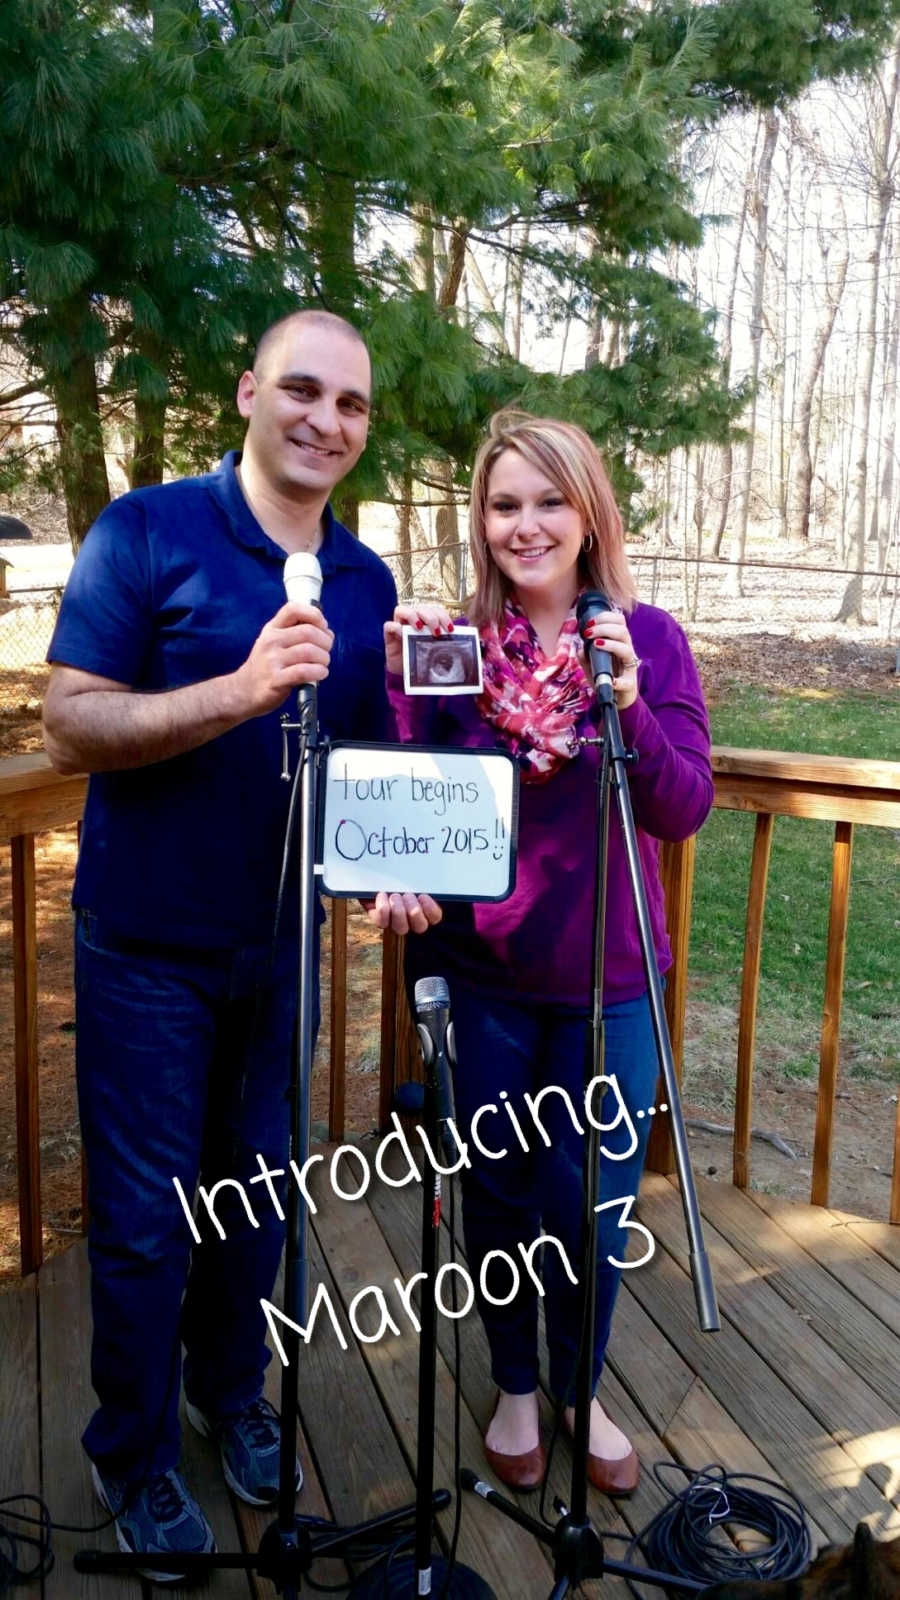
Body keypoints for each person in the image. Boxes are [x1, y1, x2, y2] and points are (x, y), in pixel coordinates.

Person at [42, 308, 440, 1578]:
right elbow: (67, 724)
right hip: (145, 950)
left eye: (353, 406)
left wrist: (397, 866)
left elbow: (368, 770)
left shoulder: (365, 580)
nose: (327, 421)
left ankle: (232, 1391)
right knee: (150, 1221)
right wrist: (238, 690)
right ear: (248, 395)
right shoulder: (146, 532)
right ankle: (134, 1449)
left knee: (254, 1204)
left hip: (281, 956)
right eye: (304, 392)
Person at [382, 411, 713, 1496]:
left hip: (612, 989)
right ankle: (517, 1381)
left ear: (589, 512)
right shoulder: (455, 645)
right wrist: (402, 687)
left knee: (593, 1206)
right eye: (504, 504)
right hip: (485, 984)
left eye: (548, 501)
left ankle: (580, 1385)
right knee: (505, 1196)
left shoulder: (648, 640)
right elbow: (411, 793)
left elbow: (683, 805)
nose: (526, 525)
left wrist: (630, 705)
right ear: (481, 521)